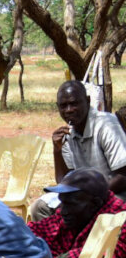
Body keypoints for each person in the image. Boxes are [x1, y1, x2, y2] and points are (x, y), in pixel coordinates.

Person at [31, 81, 126, 220]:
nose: (69, 110)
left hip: (116, 194)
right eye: (63, 106)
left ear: (87, 101)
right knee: (39, 208)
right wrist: (57, 151)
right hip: (83, 198)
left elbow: (123, 177)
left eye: (74, 104)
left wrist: (89, 197)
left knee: (80, 211)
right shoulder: (68, 133)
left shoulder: (105, 125)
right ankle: (61, 242)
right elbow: (64, 183)